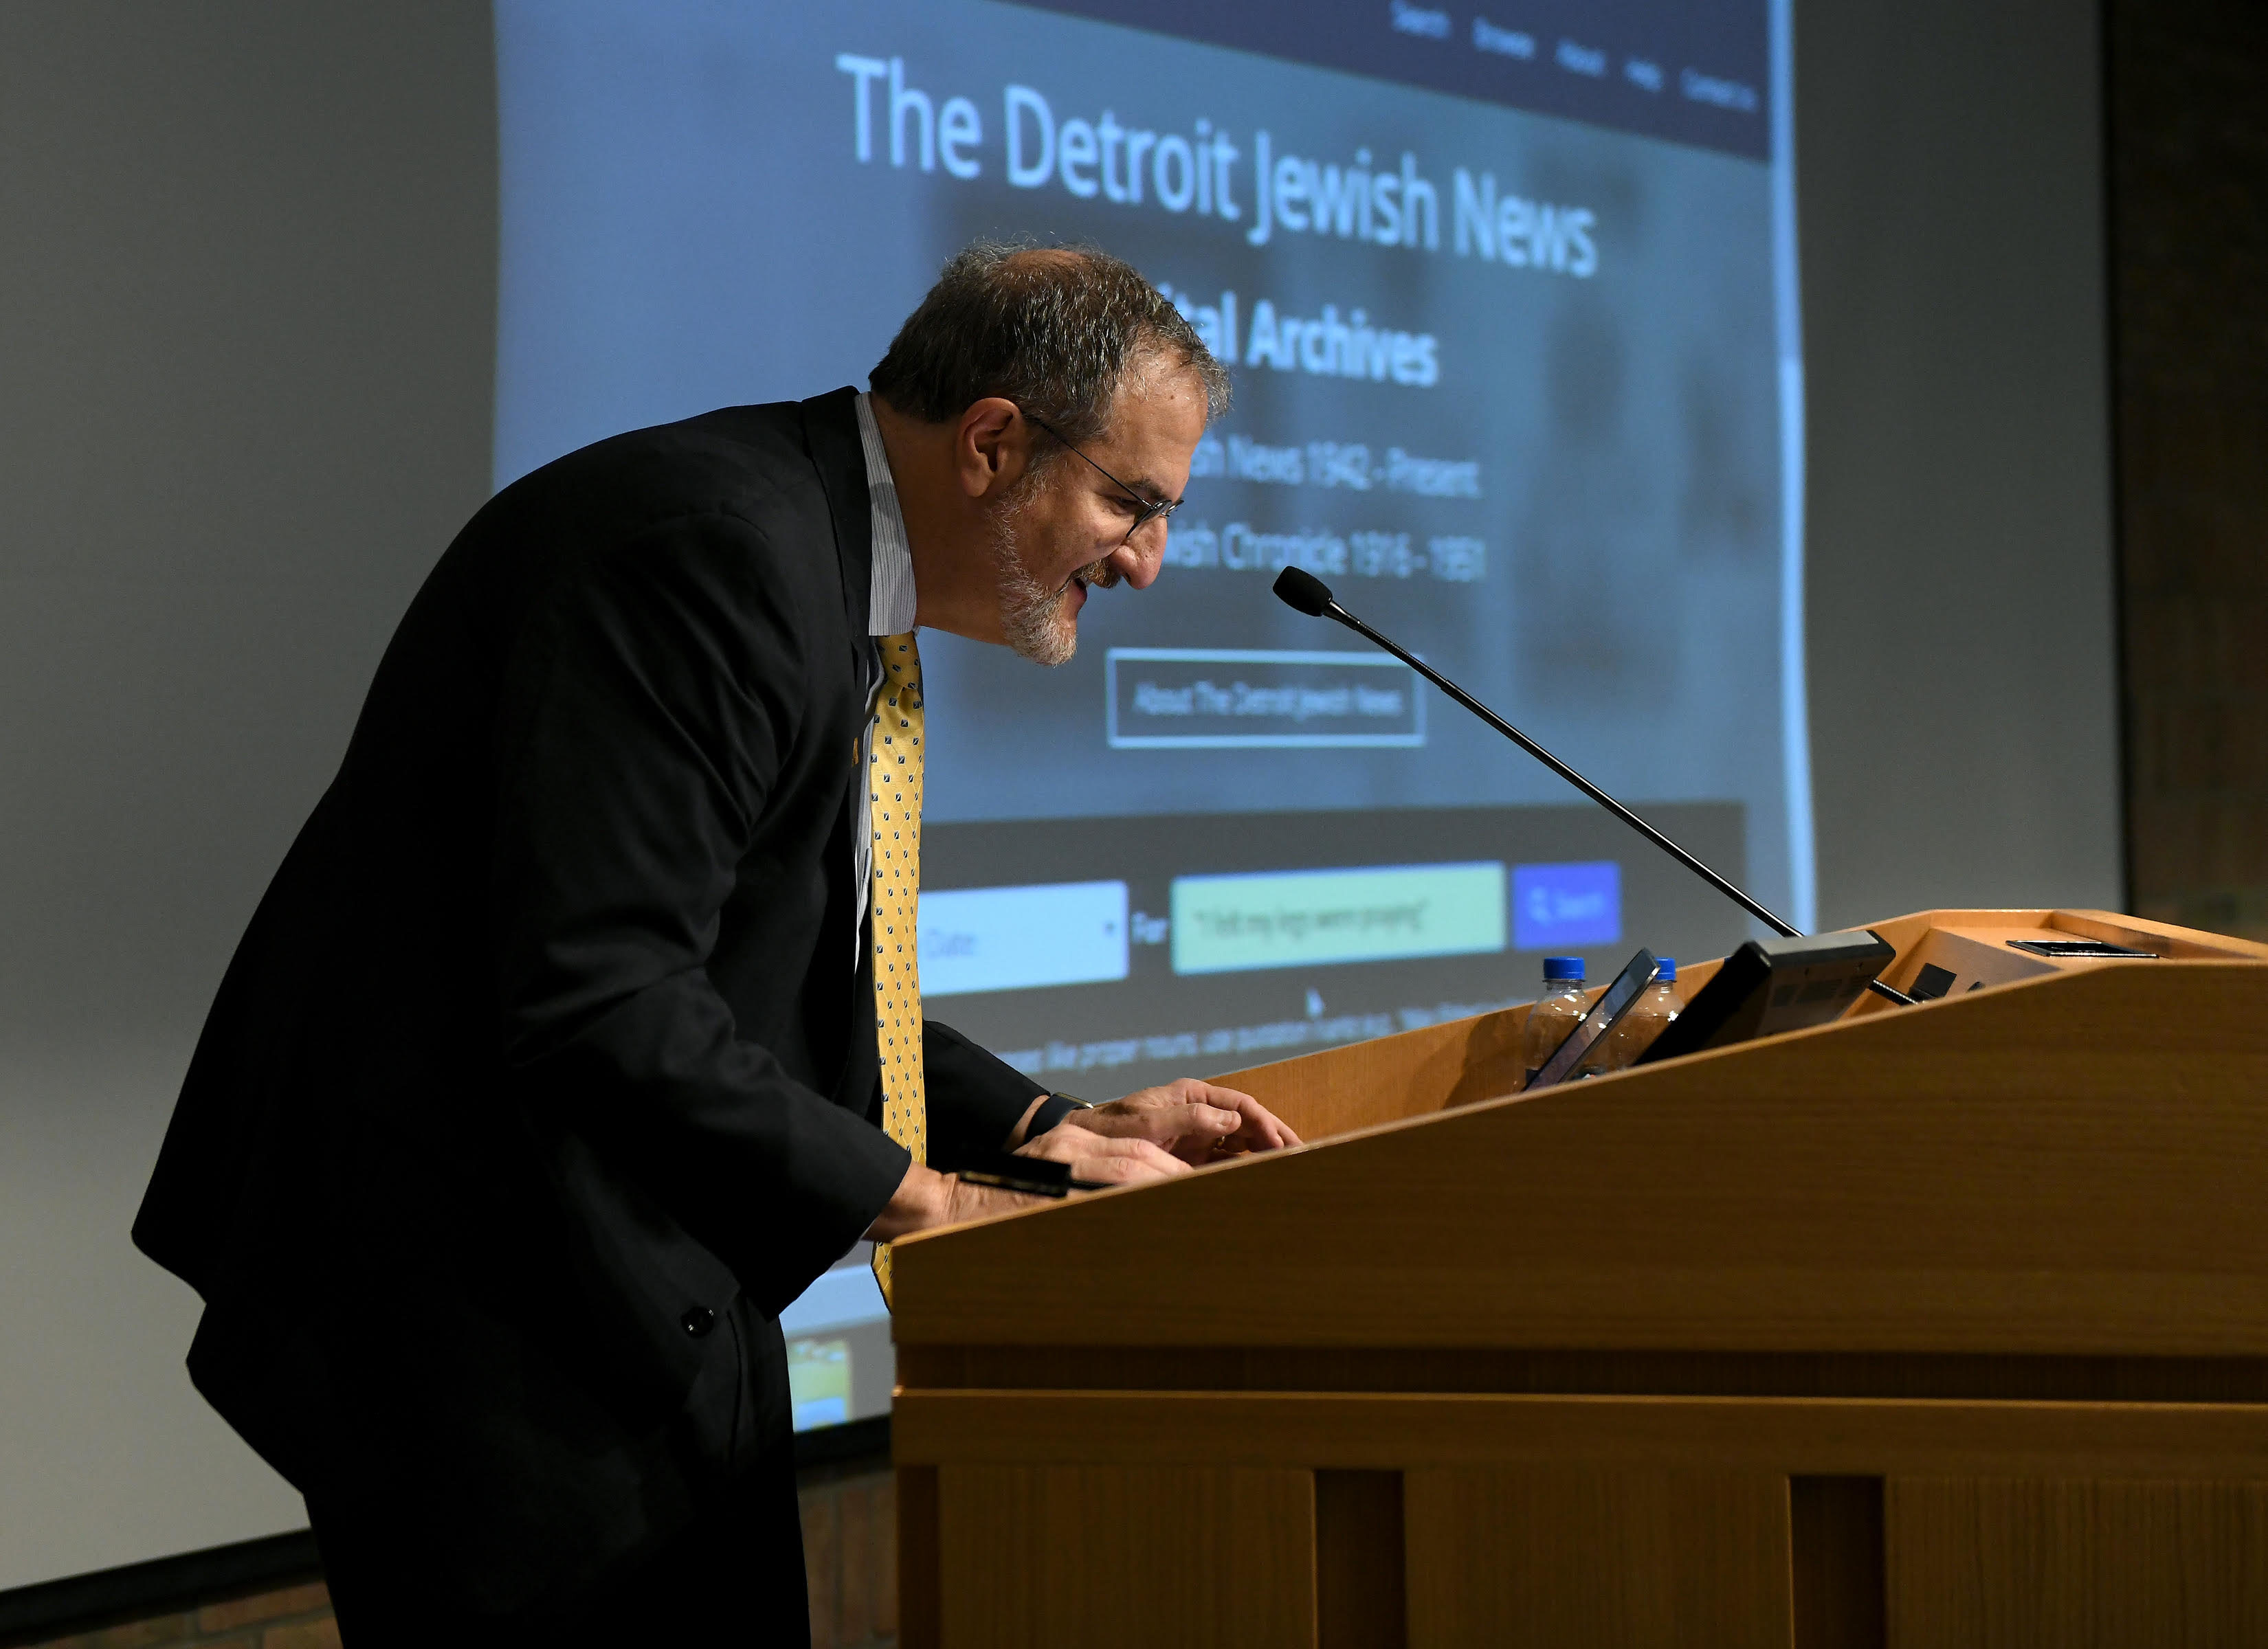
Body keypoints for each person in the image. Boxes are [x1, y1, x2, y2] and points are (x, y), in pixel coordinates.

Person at [131, 242, 1300, 1646]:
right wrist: (939, 1206)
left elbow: (783, 980)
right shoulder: (709, 558)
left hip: (620, 1283)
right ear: (993, 443)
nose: (1150, 564)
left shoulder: (813, 564)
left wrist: (1047, 1129)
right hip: (477, 1313)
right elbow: (604, 1003)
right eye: (1133, 502)